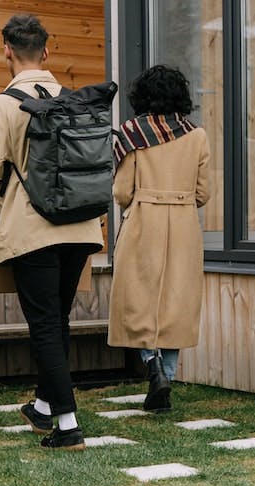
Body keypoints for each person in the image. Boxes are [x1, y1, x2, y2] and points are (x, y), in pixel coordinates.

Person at [0, 14, 102, 451]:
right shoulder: (74, 100)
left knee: (43, 324)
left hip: (33, 232)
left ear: (6, 51)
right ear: (47, 51)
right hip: (80, 229)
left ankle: (68, 425)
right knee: (57, 320)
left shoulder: (2, 106)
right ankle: (42, 407)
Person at [107, 65, 211, 413]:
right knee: (174, 301)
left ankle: (151, 366)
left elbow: (122, 192)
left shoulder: (132, 133)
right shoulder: (196, 135)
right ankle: (166, 375)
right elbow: (203, 193)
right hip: (183, 224)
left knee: (138, 297)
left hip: (143, 220)